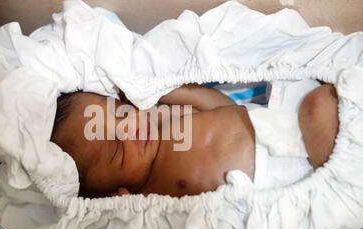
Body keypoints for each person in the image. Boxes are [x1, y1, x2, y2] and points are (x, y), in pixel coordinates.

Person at [51, 82, 338, 198]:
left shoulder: (166, 118)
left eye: (119, 113)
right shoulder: (150, 196)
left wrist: (168, 90)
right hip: (286, 184)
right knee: (320, 110)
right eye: (114, 150)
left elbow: (224, 107)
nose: (129, 130)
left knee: (321, 103)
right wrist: (124, 214)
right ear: (113, 192)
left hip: (282, 126)